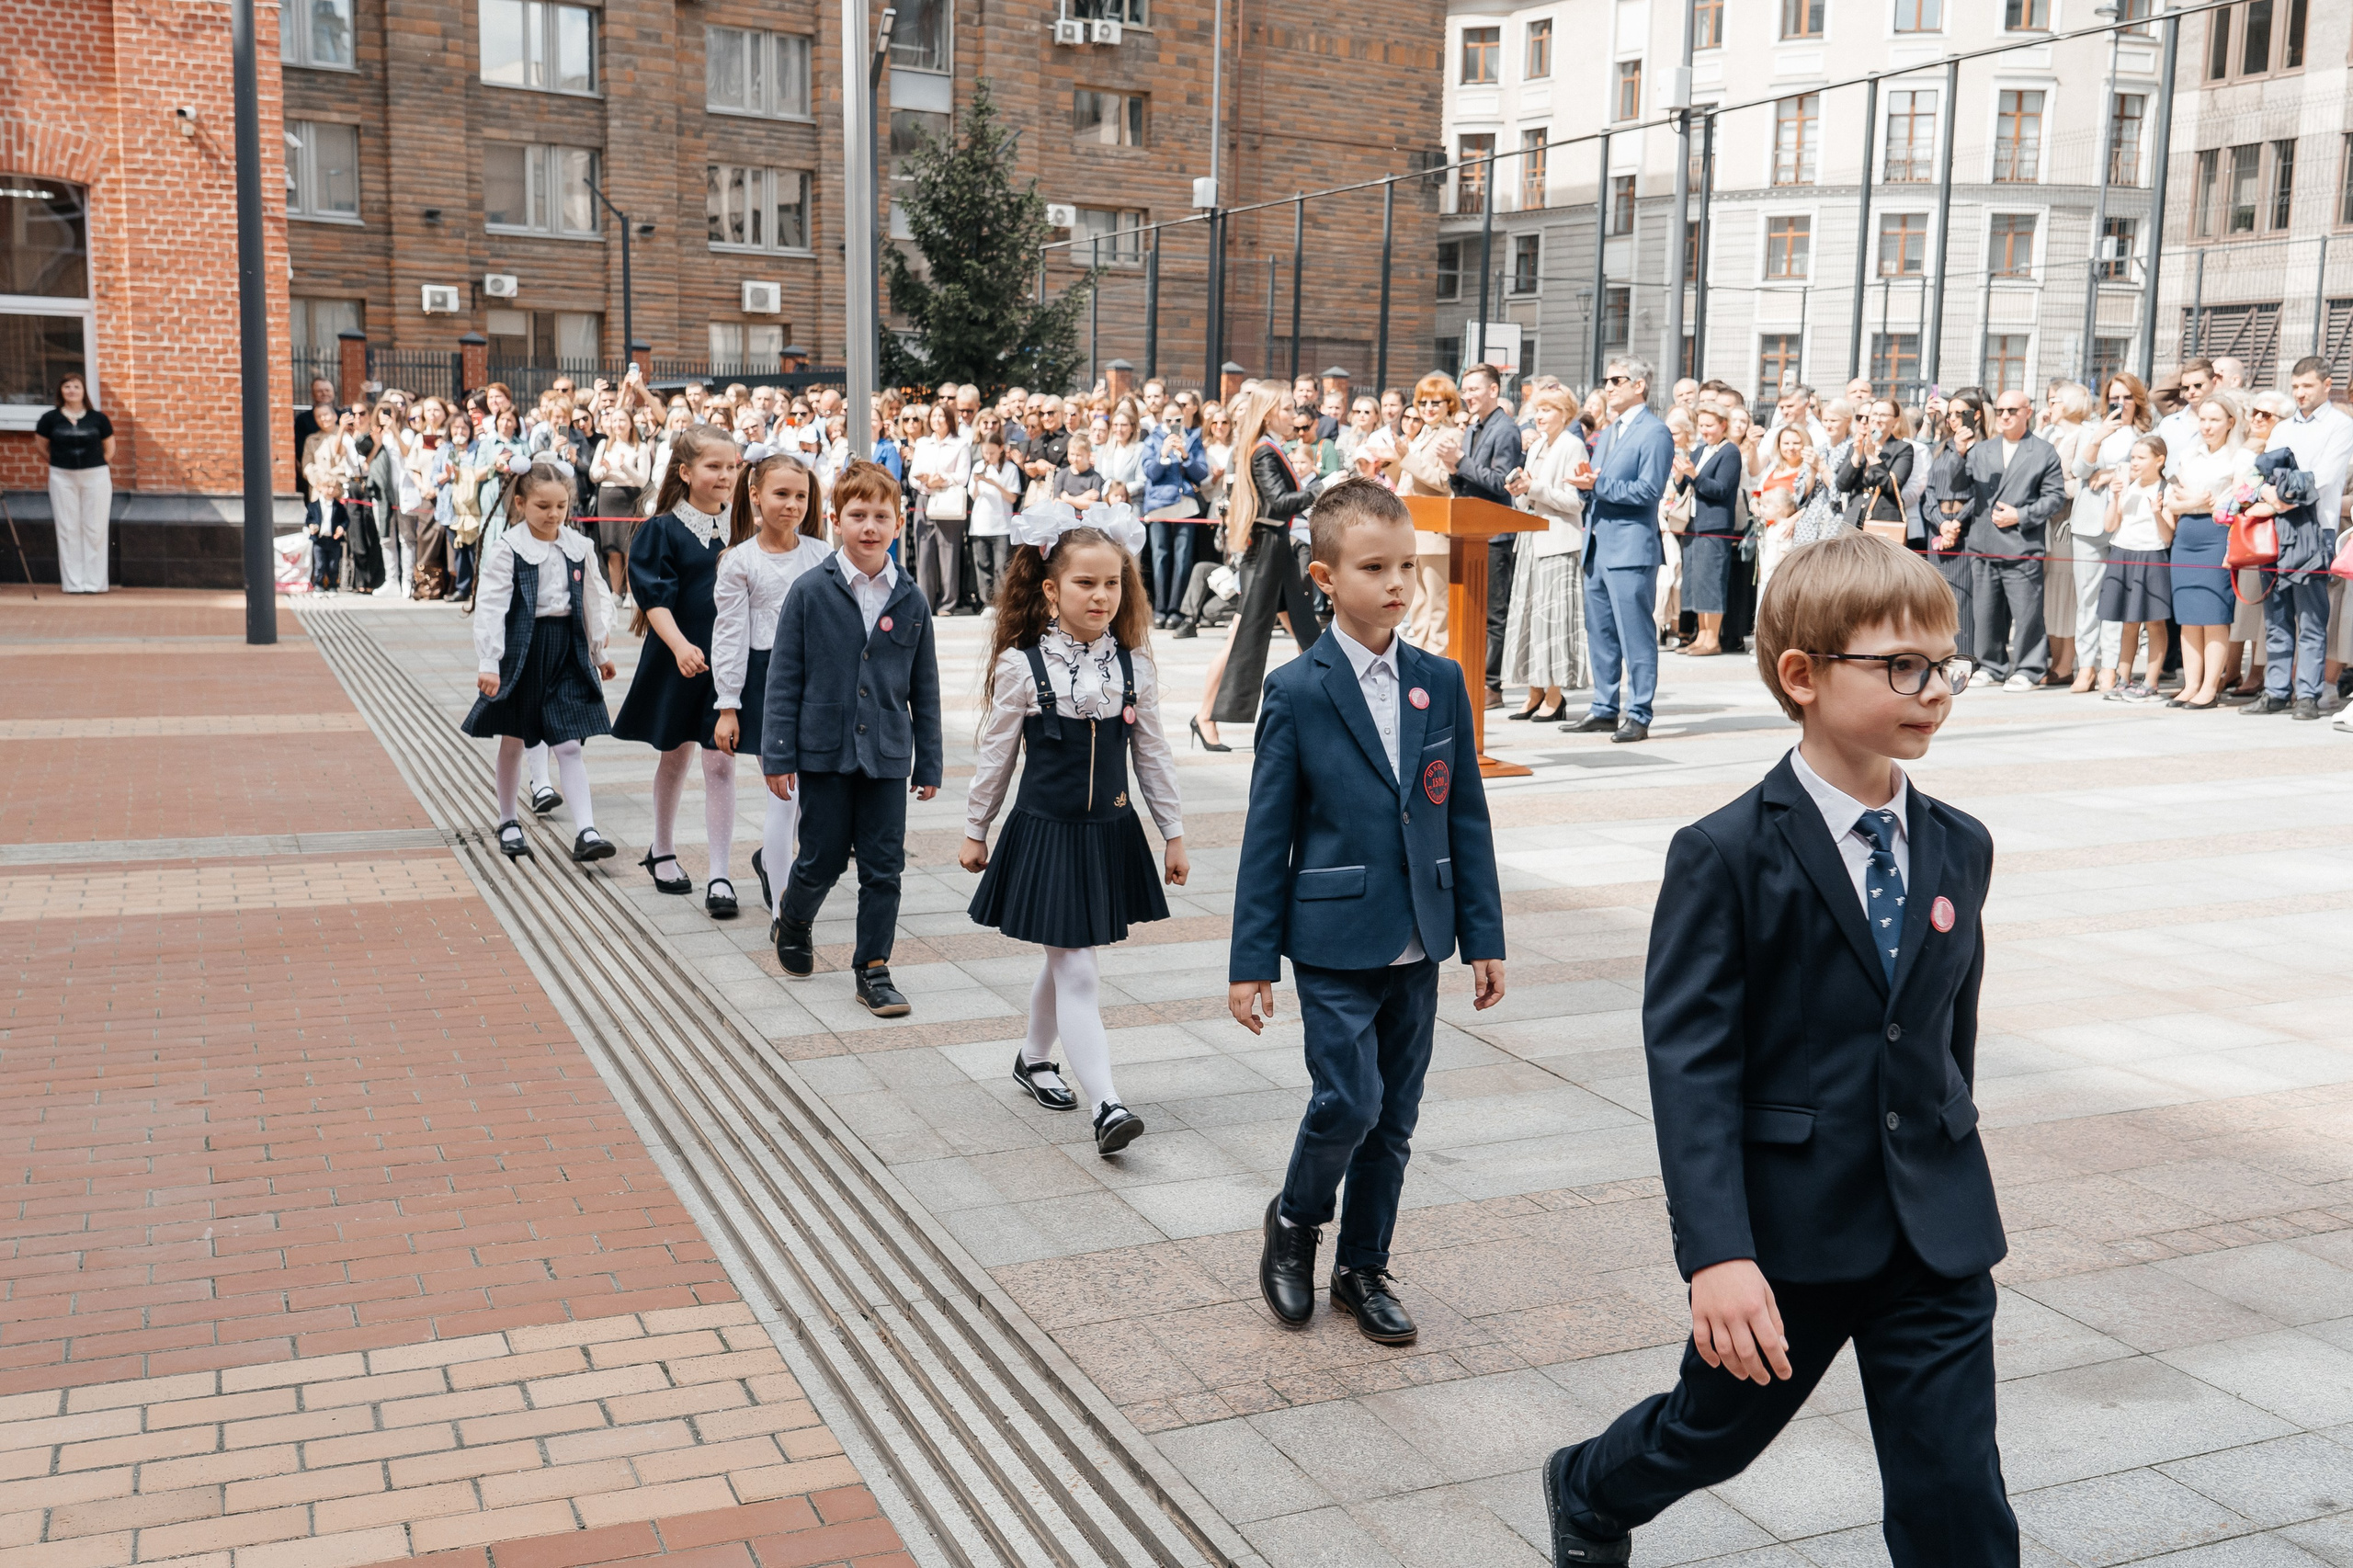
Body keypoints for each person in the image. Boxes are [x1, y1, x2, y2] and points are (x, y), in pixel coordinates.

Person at [1542, 530, 2010, 1568]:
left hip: (1934, 1231)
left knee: (1955, 1490)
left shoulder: (1960, 845)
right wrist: (1717, 1252)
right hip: (1787, 1235)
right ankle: (1587, 1482)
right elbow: (1691, 1067)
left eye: (1944, 665)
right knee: (1707, 1435)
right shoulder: (1725, 853)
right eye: (1901, 666)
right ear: (1801, 675)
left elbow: (1944, 1037)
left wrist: (1946, 1152)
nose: (1932, 689)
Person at [1231, 478, 1505, 1346]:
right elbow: (1267, 832)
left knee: (1394, 1119)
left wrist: (1484, 934)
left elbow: (1464, 813)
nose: (1396, 583)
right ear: (1323, 575)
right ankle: (1296, 1222)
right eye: (1374, 566)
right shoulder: (1299, 689)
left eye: (1406, 566)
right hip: (1333, 936)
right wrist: (1251, 959)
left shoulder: (1439, 682)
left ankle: (1363, 1267)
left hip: (1419, 938)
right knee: (1347, 1100)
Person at [961, 506, 1187, 1157]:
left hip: (1108, 832)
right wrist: (976, 828)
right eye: (1086, 583)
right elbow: (996, 754)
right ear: (1052, 590)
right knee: (1079, 968)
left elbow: (1153, 755)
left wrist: (1172, 830)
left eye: (1112, 583)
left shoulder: (1133, 665)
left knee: (1067, 954)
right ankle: (1108, 1105)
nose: (1101, 596)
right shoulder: (1021, 666)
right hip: (1047, 834)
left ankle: (1034, 1057)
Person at [761, 460, 943, 1017]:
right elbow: (783, 677)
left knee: (883, 865)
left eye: (881, 516)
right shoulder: (810, 591)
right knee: (821, 857)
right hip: (824, 750)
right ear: (835, 520)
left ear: (898, 521)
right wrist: (778, 753)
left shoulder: (911, 597)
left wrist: (929, 763)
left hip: (887, 753)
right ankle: (794, 916)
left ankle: (873, 969)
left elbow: (925, 687)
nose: (869, 526)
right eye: (857, 516)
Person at [460, 458, 619, 867]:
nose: (553, 515)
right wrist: (489, 663)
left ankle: (587, 830)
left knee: (568, 742)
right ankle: (508, 819)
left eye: (561, 506)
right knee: (514, 738)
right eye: (542, 506)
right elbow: (492, 607)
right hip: (523, 651)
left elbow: (592, 600)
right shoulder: (508, 549)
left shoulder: (578, 545)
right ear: (520, 504)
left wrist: (599, 652)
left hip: (566, 649)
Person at [613, 424, 744, 913]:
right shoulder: (661, 528)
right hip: (678, 658)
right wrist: (681, 646)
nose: (725, 475)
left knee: (720, 761)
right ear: (686, 472)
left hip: (727, 664)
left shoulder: (745, 526)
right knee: (674, 756)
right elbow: (654, 597)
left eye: (732, 466)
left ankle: (720, 874)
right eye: (714, 466)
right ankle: (662, 848)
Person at [712, 448, 833, 931]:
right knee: (784, 793)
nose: (792, 504)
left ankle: (777, 870)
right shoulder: (740, 561)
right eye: (781, 494)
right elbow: (729, 635)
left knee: (808, 797)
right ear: (756, 495)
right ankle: (786, 910)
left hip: (819, 681)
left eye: (801, 495)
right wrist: (728, 704)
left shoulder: (823, 555)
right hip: (767, 680)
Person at [1201, 386, 1324, 745]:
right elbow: (1281, 501)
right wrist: (1323, 487)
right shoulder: (1263, 452)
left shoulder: (1269, 449)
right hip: (1267, 555)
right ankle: (1205, 714)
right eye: (1286, 408)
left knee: (1308, 637)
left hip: (1278, 553)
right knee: (1240, 638)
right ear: (1269, 414)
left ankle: (1318, 713)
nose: (1294, 415)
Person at [1566, 357, 1676, 744]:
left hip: (1631, 548)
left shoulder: (1655, 432)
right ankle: (1603, 708)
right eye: (1606, 380)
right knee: (1601, 634)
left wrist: (1597, 486)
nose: (1609, 386)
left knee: (1636, 636)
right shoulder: (1611, 431)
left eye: (1617, 380)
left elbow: (1649, 492)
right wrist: (1583, 484)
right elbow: (1596, 481)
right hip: (1597, 544)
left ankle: (1640, 712)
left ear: (1639, 385)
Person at [1963, 390, 2066, 690]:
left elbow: (2055, 498)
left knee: (2027, 613)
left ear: (2028, 412)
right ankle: (1991, 665)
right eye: (2000, 410)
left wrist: (2021, 515)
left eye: (2012, 410)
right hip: (1984, 543)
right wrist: (1957, 453)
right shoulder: (1981, 450)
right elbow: (1961, 487)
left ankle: (2029, 669)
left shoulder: (2043, 451)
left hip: (2022, 543)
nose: (2005, 415)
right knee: (1985, 611)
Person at [2164, 394, 2259, 709]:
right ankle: (2190, 685)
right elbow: (2172, 501)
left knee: (2214, 614)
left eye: (2215, 419)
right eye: (2203, 419)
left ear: (2230, 422)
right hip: (2186, 535)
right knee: (2189, 615)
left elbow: (2239, 504)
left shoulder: (2241, 457)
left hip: (2218, 536)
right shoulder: (2190, 454)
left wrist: (2203, 503)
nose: (2207, 426)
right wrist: (2196, 502)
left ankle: (2209, 686)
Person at [1501, 384, 1589, 719]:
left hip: (1558, 542)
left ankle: (1555, 695)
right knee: (1528, 619)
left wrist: (1534, 487)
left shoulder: (1573, 445)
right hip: (1530, 540)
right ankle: (1534, 692)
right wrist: (1520, 489)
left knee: (1553, 621)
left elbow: (1576, 500)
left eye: (1548, 409)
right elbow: (1528, 494)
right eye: (1537, 409)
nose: (1540, 416)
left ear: (1564, 413)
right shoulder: (1537, 444)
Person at [2244, 392, 2332, 720]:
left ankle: (2307, 694)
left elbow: (2321, 481)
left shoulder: (2337, 426)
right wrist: (2267, 491)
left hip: (2313, 533)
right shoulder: (2275, 438)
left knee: (2310, 619)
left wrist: (2280, 495)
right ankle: (2276, 690)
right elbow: (2251, 482)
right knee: (2276, 618)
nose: (2300, 392)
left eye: (2307, 385)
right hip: (2272, 536)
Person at [2068, 376, 2154, 694]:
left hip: (2127, 525)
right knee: (2088, 598)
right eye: (2114, 397)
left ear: (2138, 400)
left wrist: (2108, 474)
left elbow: (2150, 470)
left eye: (2127, 397)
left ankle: (2110, 668)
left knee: (2117, 599)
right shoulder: (2093, 429)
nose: (2121, 403)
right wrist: (2098, 439)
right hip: (2090, 523)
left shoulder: (2147, 434)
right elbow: (2078, 471)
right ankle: (2086, 666)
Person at [1450, 366, 1526, 709]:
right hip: (1469, 530)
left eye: (1474, 389)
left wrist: (1461, 462)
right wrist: (1455, 471)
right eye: (1464, 389)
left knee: (1494, 613)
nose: (1467, 395)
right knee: (1471, 610)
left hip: (1494, 535)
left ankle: (1491, 685)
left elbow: (1501, 483)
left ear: (1493, 390)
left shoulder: (1505, 429)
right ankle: (1470, 678)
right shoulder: (1472, 428)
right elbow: (1467, 478)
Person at [2099, 435, 2175, 702]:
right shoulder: (2127, 486)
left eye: (2141, 458)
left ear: (2159, 460)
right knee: (2128, 622)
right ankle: (2124, 678)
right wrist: (2115, 496)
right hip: (2123, 552)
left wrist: (2157, 511)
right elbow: (2110, 526)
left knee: (2154, 622)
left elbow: (2167, 536)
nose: (2134, 463)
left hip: (2152, 556)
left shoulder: (2166, 488)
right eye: (2133, 457)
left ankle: (2151, 681)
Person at [1670, 403, 1745, 658]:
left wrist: (1695, 474)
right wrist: (1681, 477)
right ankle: (1701, 634)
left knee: (1712, 581)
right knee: (1696, 582)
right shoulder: (1700, 449)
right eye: (1701, 425)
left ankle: (1713, 638)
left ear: (1723, 425)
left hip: (1715, 526)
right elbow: (1688, 489)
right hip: (1694, 524)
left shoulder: (1730, 452)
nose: (1705, 430)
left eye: (1710, 425)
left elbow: (1721, 489)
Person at [1398, 375, 1465, 653]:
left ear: (1449, 404)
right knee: (1418, 604)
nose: (1427, 407)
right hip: (1414, 526)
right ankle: (1421, 658)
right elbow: (1408, 478)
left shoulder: (1452, 435)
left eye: (1434, 402)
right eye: (1422, 402)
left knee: (1437, 606)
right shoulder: (1424, 433)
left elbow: (1443, 480)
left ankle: (1435, 663)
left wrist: (1406, 458)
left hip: (1436, 531)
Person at [1141, 415, 1210, 627]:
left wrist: (1184, 454)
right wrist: (1163, 453)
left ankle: (1176, 610)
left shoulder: (1192, 439)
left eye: (1178, 419)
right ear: (1163, 421)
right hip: (1159, 506)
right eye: (1169, 419)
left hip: (1186, 506)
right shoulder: (1152, 440)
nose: (1173, 423)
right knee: (1159, 558)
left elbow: (1201, 473)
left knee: (1183, 559)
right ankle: (1160, 609)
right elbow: (1150, 472)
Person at [909, 402, 972, 615]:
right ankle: (925, 601)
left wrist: (942, 480)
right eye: (933, 416)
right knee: (924, 552)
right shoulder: (922, 443)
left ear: (949, 420)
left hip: (948, 500)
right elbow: (913, 475)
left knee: (949, 552)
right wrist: (926, 483)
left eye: (941, 416)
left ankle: (947, 603)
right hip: (924, 498)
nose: (937, 420)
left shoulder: (960, 444)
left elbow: (962, 477)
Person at [589, 407, 651, 608]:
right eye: (614, 420)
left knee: (630, 548)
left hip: (630, 497)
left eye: (622, 420)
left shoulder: (640, 448)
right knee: (612, 548)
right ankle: (616, 591)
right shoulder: (604, 445)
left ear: (631, 423)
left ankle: (632, 592)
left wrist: (624, 467)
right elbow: (594, 475)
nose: (618, 425)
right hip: (608, 497)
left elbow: (642, 480)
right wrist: (606, 469)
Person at [968, 429, 1023, 610]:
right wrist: (977, 482)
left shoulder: (1010, 469)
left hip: (1001, 526)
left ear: (1001, 449)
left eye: (992, 452)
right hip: (980, 525)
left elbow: (1012, 498)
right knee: (982, 565)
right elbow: (974, 496)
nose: (988, 456)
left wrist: (994, 483)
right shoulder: (978, 467)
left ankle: (1002, 602)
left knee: (1001, 568)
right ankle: (987, 603)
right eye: (985, 452)